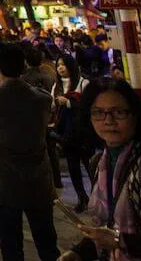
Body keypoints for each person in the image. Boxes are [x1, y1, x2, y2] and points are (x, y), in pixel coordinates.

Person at [55, 78, 141, 261]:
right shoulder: (98, 164)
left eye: (119, 112)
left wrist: (119, 240)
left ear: (135, 115)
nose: (108, 121)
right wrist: (79, 252)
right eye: (98, 113)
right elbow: (108, 226)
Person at [0, 43, 58, 261]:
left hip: (3, 182)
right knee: (47, 242)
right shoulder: (42, 99)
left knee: (10, 244)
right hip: (38, 180)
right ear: (23, 66)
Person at [50, 53, 90, 213]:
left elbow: (88, 104)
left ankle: (99, 197)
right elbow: (52, 106)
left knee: (89, 164)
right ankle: (82, 197)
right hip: (66, 132)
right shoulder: (56, 86)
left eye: (63, 64)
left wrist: (69, 103)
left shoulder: (83, 83)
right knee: (73, 166)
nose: (60, 68)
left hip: (81, 131)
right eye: (58, 65)